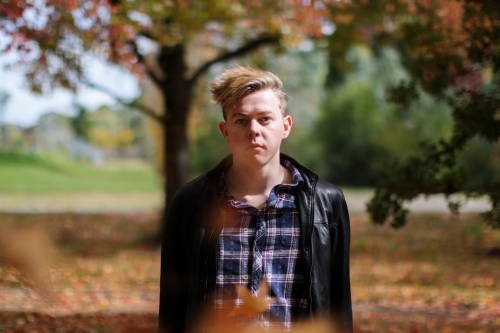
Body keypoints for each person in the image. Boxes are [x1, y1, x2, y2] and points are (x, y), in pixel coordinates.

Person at [159, 66, 352, 333]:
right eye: (241, 120)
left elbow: (338, 304)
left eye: (264, 119)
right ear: (225, 131)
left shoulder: (325, 201)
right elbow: (173, 307)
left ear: (285, 126)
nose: (253, 130)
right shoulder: (191, 202)